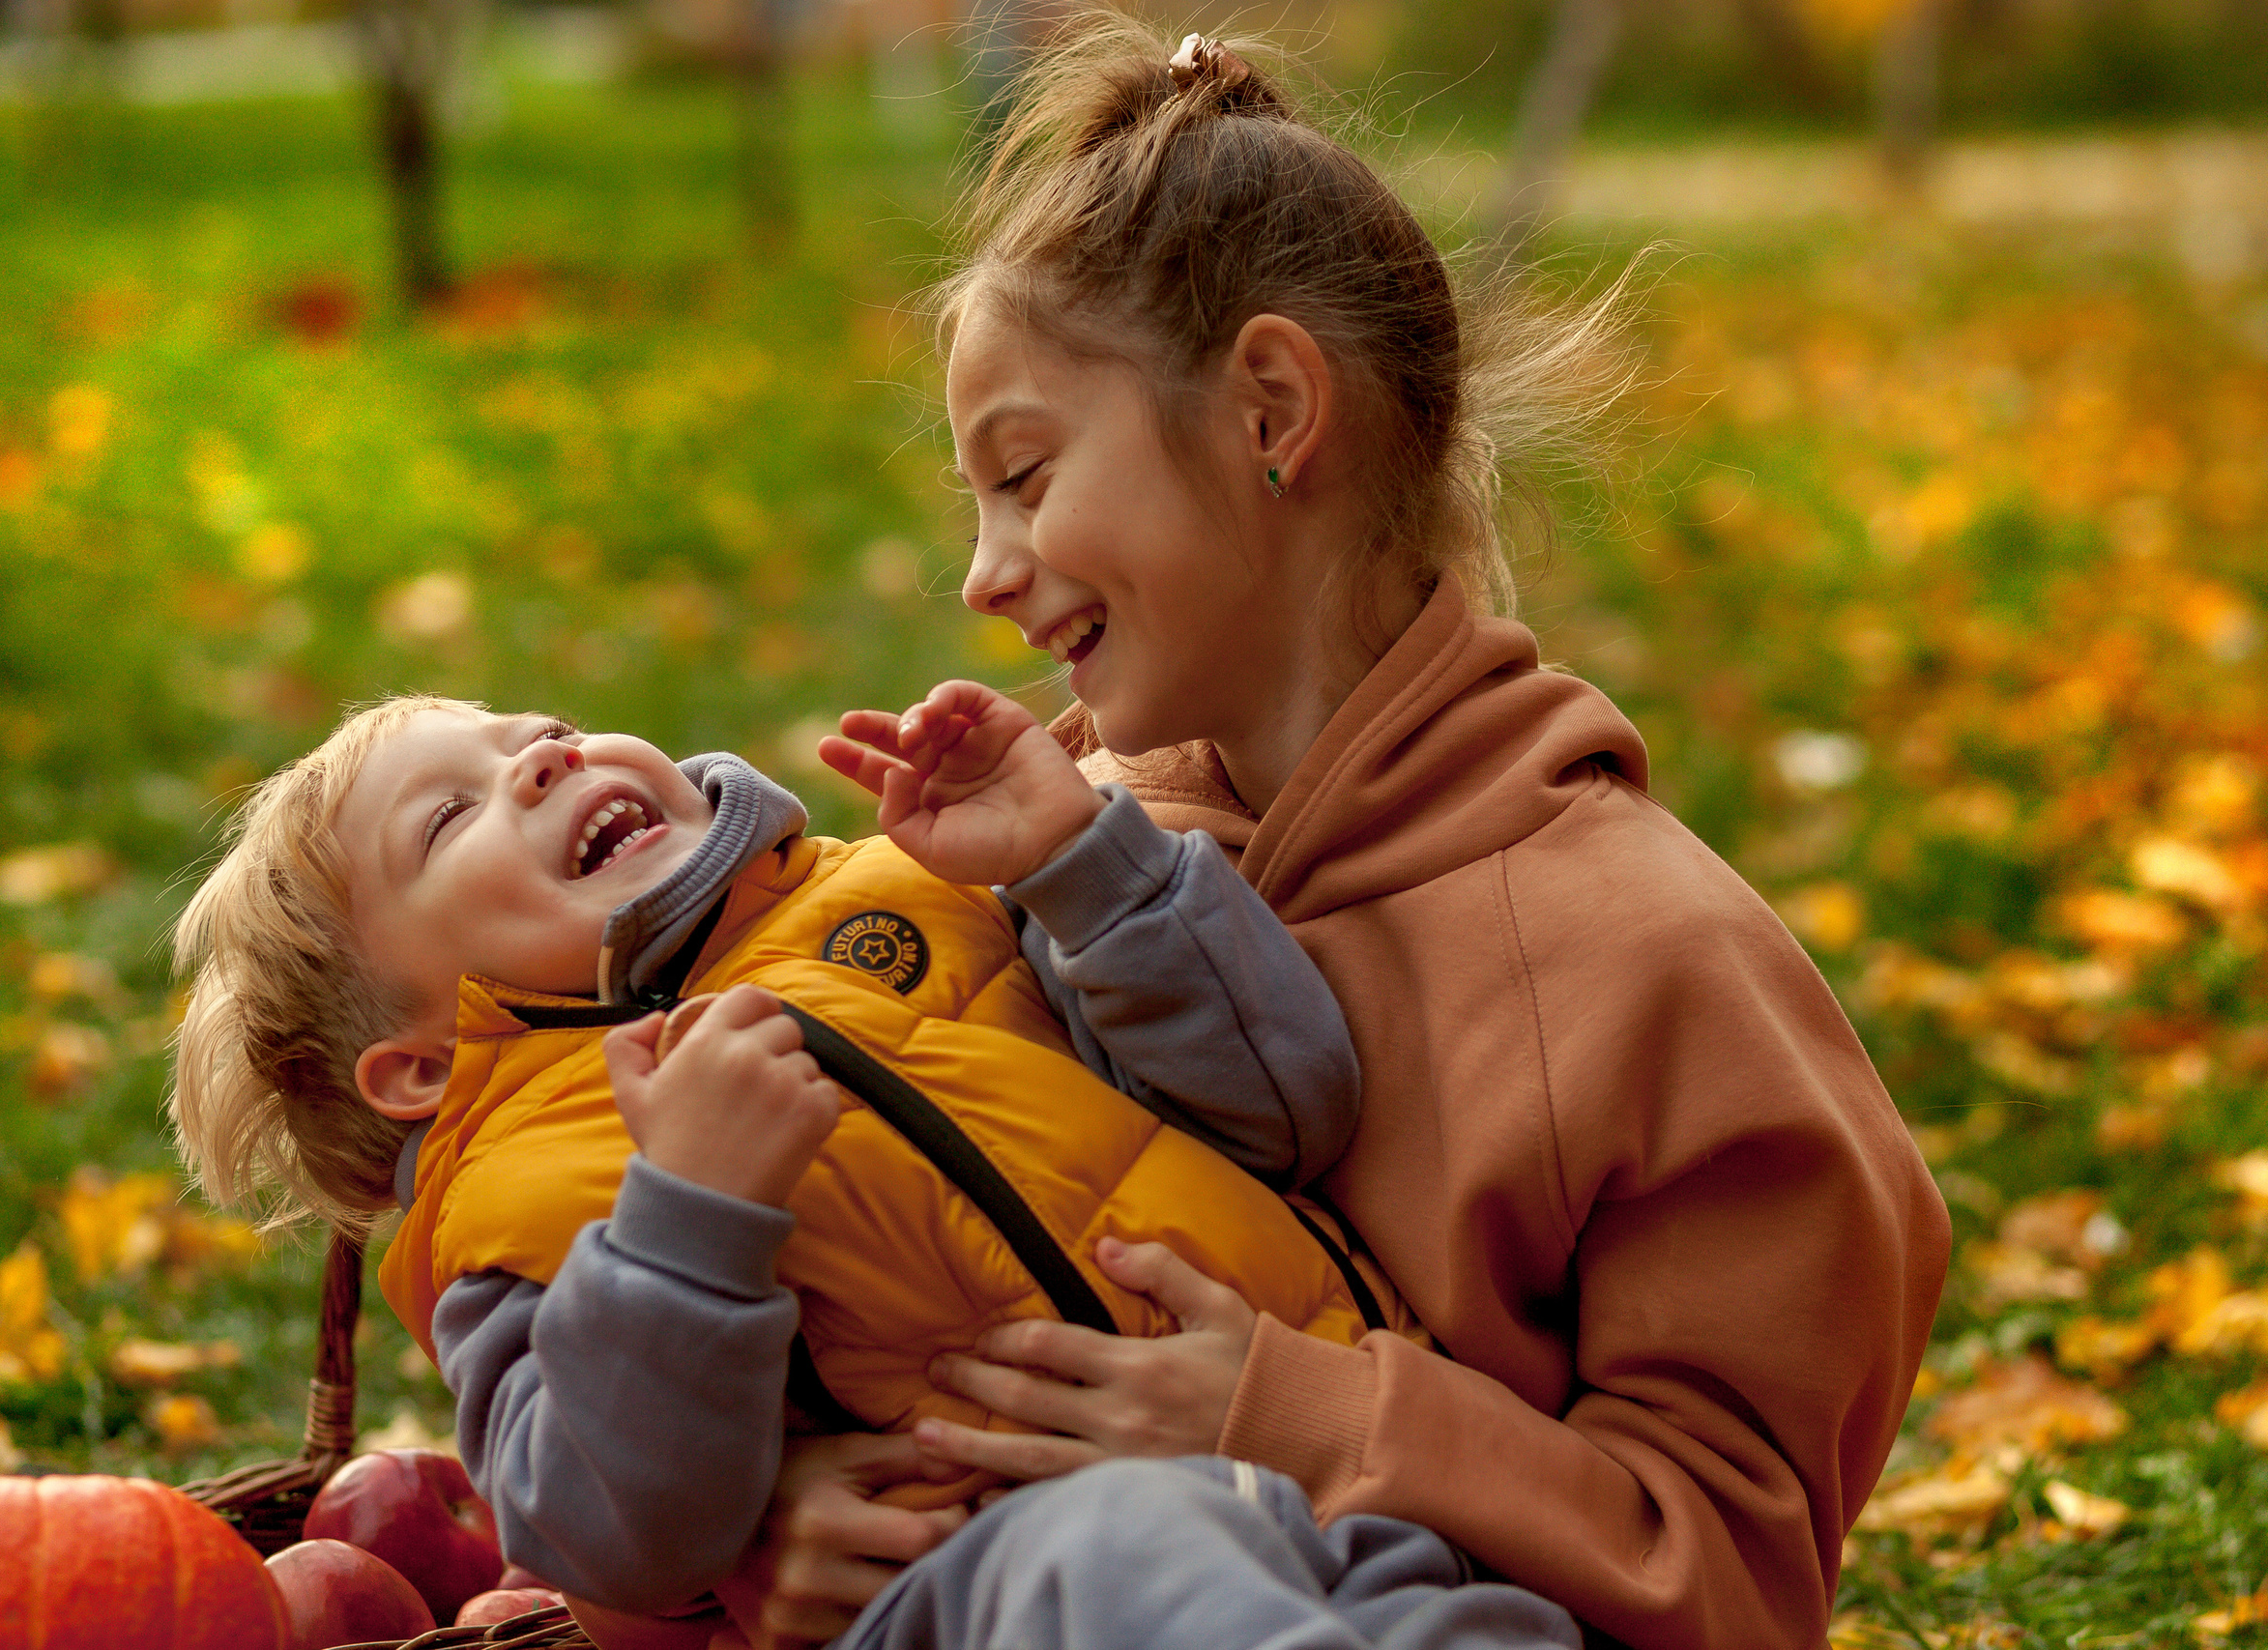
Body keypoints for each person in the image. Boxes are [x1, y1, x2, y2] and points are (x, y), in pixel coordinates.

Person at [745, 17, 1951, 1650]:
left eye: (1024, 474)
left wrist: (1288, 1421)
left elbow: (1729, 1577)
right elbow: (910, 1257)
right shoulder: (1045, 866)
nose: (984, 570)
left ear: (1269, 412)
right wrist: (806, 1508)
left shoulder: (1652, 969)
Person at [170, 684, 1572, 1646]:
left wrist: (1084, 866)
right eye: (450, 818)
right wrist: (690, 1216)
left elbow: (1283, 1109)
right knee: (1127, 1559)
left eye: (538, 732)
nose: (539, 759)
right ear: (416, 1067)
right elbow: (614, 1532)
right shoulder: (534, 1201)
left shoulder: (917, 887)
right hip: (993, 1582)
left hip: (1330, 1465)